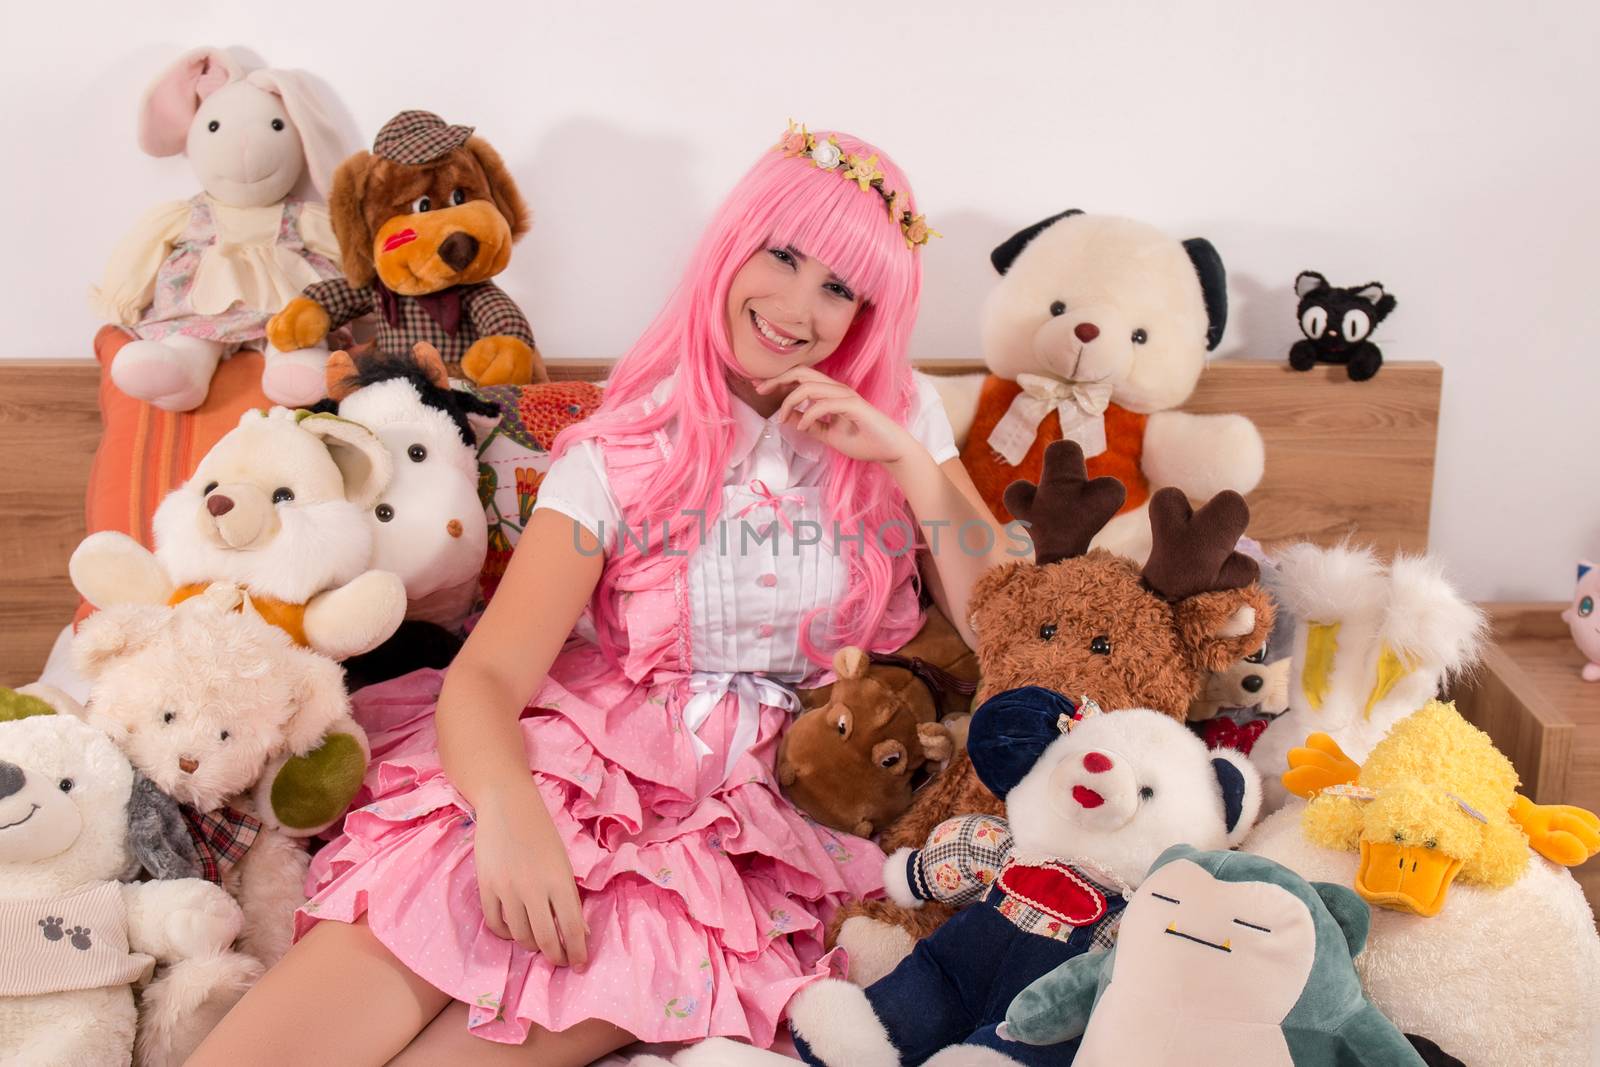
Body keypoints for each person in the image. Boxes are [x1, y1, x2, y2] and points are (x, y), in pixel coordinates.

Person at [188, 123, 1014, 1066]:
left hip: (754, 822)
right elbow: (490, 672)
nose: (797, 306)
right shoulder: (628, 442)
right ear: (732, 248)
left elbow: (1009, 625)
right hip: (580, 760)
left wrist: (908, 461)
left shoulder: (904, 415)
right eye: (781, 256)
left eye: (839, 287)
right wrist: (506, 814)